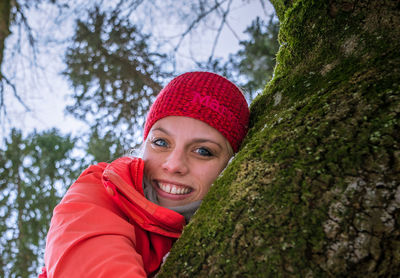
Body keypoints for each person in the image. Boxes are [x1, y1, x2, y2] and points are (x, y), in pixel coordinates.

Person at [39, 71, 249, 277]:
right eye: (161, 142)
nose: (173, 165)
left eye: (203, 151)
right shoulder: (102, 189)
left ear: (232, 164)